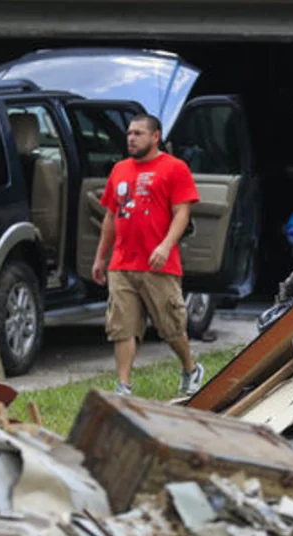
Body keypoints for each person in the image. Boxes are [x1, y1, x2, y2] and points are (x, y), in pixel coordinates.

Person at [92, 113, 205, 397]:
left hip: (159, 264)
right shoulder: (119, 169)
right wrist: (100, 258)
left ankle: (191, 368)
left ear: (155, 137)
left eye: (139, 133)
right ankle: (124, 386)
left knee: (171, 327)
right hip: (122, 263)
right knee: (122, 327)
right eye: (129, 133)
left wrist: (165, 245)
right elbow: (110, 217)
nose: (131, 138)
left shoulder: (174, 168)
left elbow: (182, 213)